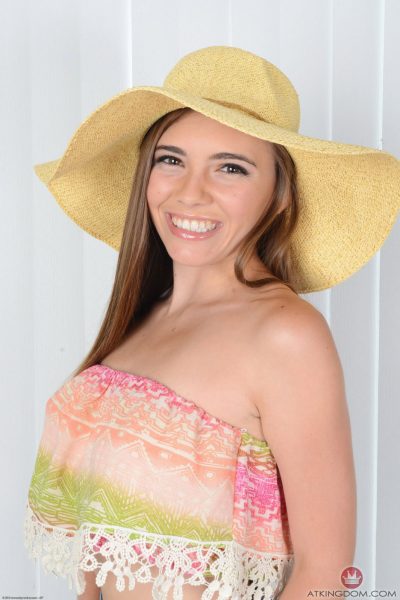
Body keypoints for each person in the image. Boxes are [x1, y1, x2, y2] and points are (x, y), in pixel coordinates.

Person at [23, 46, 399, 600]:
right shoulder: (141, 320)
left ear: (279, 195)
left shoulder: (285, 336)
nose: (189, 193)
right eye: (170, 160)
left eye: (230, 168)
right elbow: (101, 556)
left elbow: (325, 575)